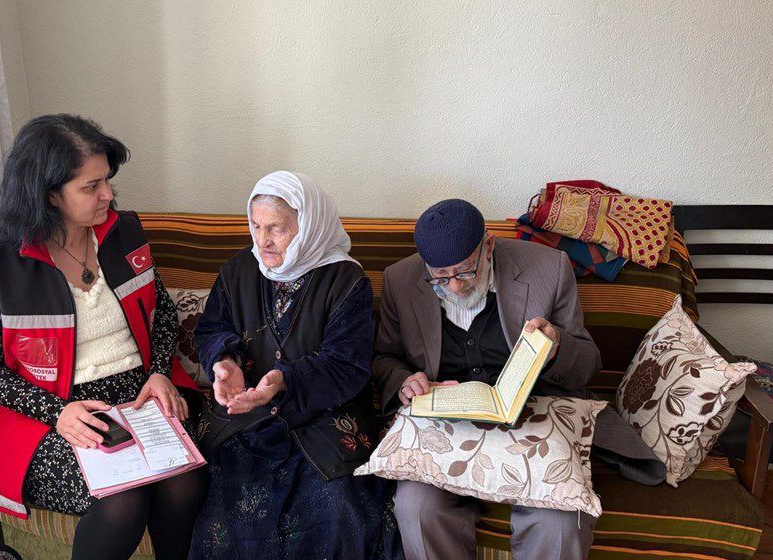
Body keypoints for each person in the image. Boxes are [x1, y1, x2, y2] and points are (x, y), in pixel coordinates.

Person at [0, 114, 205, 560]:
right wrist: (57, 412)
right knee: (123, 499)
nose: (107, 195)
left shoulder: (123, 233)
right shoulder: (0, 265)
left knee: (184, 480)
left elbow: (163, 314)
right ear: (49, 194)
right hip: (54, 410)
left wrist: (158, 372)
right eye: (91, 186)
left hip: (138, 396)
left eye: (107, 180)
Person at [373, 199, 666, 560]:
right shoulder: (399, 280)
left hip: (537, 420)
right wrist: (406, 381)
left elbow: (588, 364)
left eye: (465, 271)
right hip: (447, 428)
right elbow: (384, 358)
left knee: (559, 524)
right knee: (417, 507)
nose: (456, 287)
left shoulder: (549, 267)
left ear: (489, 245)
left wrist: (556, 346)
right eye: (441, 277)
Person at [189, 171, 401, 560]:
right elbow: (212, 329)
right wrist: (224, 361)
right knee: (228, 504)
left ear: (308, 225)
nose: (263, 240)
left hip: (324, 422)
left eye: (277, 228)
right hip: (247, 421)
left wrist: (284, 380)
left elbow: (347, 364)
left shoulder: (346, 280)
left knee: (338, 508)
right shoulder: (237, 271)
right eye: (256, 226)